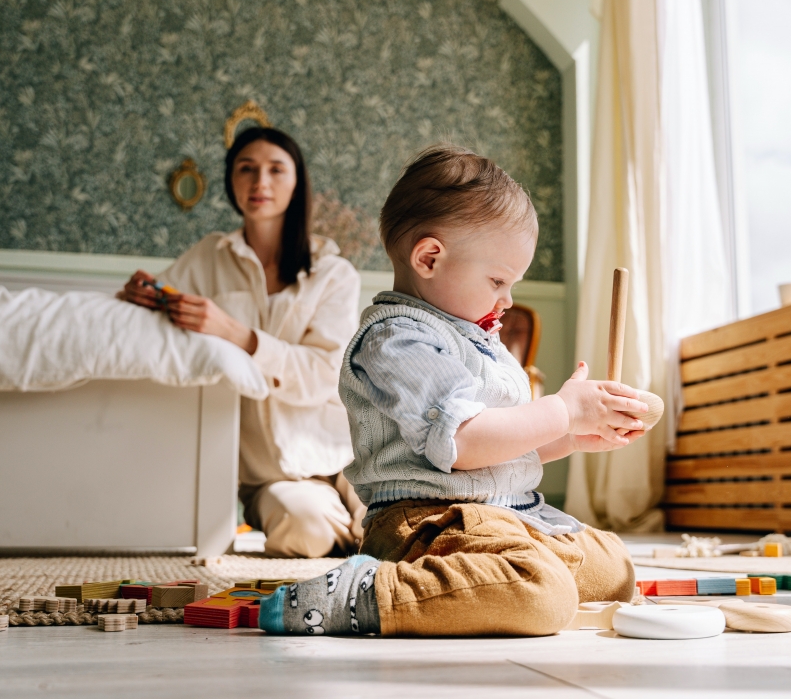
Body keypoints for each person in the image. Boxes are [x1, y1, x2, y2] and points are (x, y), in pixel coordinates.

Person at [258, 144, 646, 637]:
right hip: (429, 523)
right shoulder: (397, 338)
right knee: (540, 594)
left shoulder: (476, 337)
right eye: (498, 279)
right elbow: (465, 443)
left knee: (615, 570)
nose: (507, 299)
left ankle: (493, 582)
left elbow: (501, 447)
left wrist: (574, 434)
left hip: (503, 516)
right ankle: (371, 593)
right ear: (430, 257)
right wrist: (563, 411)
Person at [120, 127, 363, 558]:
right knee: (304, 534)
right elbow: (162, 302)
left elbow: (326, 375)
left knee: (395, 526)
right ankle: (351, 531)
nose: (259, 183)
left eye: (275, 170)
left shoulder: (333, 272)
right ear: (231, 181)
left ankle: (361, 524)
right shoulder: (209, 257)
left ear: (297, 180)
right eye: (246, 169)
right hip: (272, 476)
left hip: (343, 454)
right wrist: (139, 295)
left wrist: (237, 334)